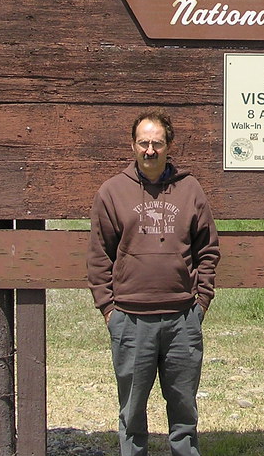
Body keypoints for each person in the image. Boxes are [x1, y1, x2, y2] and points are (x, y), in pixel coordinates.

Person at [87, 109, 220, 456]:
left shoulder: (190, 189)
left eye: (157, 143)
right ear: (132, 145)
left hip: (181, 320)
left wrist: (200, 303)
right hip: (130, 320)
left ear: (169, 145)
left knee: (184, 412)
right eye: (143, 143)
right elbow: (100, 256)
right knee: (132, 414)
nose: (150, 150)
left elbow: (208, 249)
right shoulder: (112, 192)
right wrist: (109, 311)